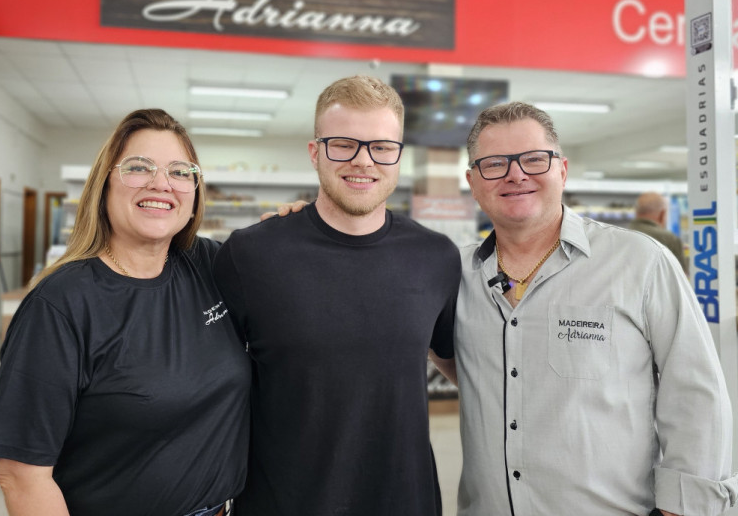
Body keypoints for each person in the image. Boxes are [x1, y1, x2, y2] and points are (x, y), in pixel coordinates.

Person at [433, 101, 737, 516]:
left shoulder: (639, 262)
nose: (516, 174)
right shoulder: (452, 274)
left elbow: (696, 393)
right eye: (494, 164)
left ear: (562, 169)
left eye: (534, 159)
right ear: (472, 180)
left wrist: (685, 508)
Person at [212, 75, 461, 516]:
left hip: (406, 501)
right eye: (344, 144)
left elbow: (464, 364)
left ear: (399, 155)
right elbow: (207, 383)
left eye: (382, 147)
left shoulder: (436, 256)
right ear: (315, 152)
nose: (364, 161)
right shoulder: (250, 255)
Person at [0, 109, 250, 516]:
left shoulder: (209, 265)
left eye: (180, 171)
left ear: (195, 189)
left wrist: (294, 224)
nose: (162, 183)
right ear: (104, 182)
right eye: (139, 167)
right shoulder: (61, 304)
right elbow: (21, 475)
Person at [629, 191, 687, 273]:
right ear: (662, 214)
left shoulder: (619, 235)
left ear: (637, 212)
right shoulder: (670, 239)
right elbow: (681, 276)